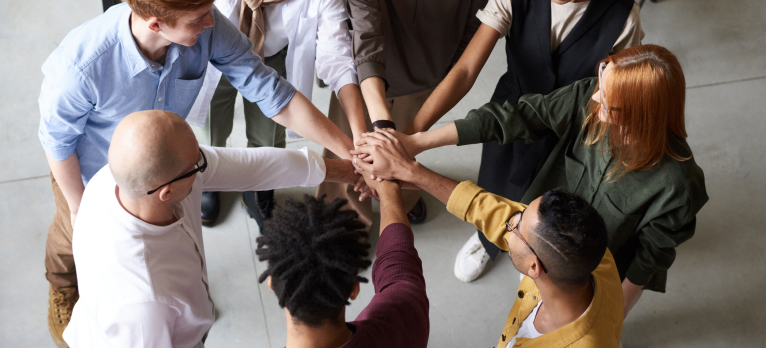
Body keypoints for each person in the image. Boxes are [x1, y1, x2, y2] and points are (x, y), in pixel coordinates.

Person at [37, 0, 355, 347]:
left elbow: (271, 93)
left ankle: (187, 303)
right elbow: (56, 142)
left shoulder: (204, 25)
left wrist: (351, 152)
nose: (212, 22)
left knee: (172, 253)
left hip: (170, 162)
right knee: (70, 239)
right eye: (199, 17)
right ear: (155, 22)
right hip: (90, 171)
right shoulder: (80, 67)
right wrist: (84, 213)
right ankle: (63, 287)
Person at [356, 45, 708, 318]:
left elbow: (649, 259)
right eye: (602, 83)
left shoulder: (678, 185)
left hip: (593, 272)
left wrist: (612, 314)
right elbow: (518, 117)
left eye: (611, 104)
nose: (596, 97)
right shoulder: (591, 96)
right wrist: (416, 142)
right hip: (537, 232)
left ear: (643, 116)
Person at [403, 0, 643, 282]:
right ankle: (489, 240)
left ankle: (537, 250)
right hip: (509, 116)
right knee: (498, 181)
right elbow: (466, 71)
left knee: (555, 202)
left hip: (573, 131)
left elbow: (618, 95)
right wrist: (414, 135)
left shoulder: (622, 17)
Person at [62, 110, 359, 347]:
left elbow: (251, 167)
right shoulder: (144, 304)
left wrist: (348, 171)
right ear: (166, 191)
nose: (205, 162)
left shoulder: (125, 177)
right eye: (197, 163)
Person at [352, 131, 623, 346]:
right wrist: (410, 172)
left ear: (534, 268)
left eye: (516, 226)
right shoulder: (591, 255)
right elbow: (490, 209)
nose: (508, 220)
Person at [190, 0, 367, 229]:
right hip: (214, 60)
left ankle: (258, 187)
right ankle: (210, 179)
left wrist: (359, 135)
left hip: (273, 57)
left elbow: (337, 57)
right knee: (210, 126)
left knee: (269, 134)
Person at [326, 0, 492, 229]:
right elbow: (365, 39)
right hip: (366, 76)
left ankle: (406, 200)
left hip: (426, 79)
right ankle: (343, 222)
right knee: (349, 150)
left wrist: (442, 76)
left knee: (406, 155)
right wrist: (383, 127)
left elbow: (473, 36)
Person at [255, 176, 429, 347]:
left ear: (272, 284)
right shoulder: (405, 314)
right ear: (354, 288)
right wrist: (388, 190)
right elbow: (399, 263)